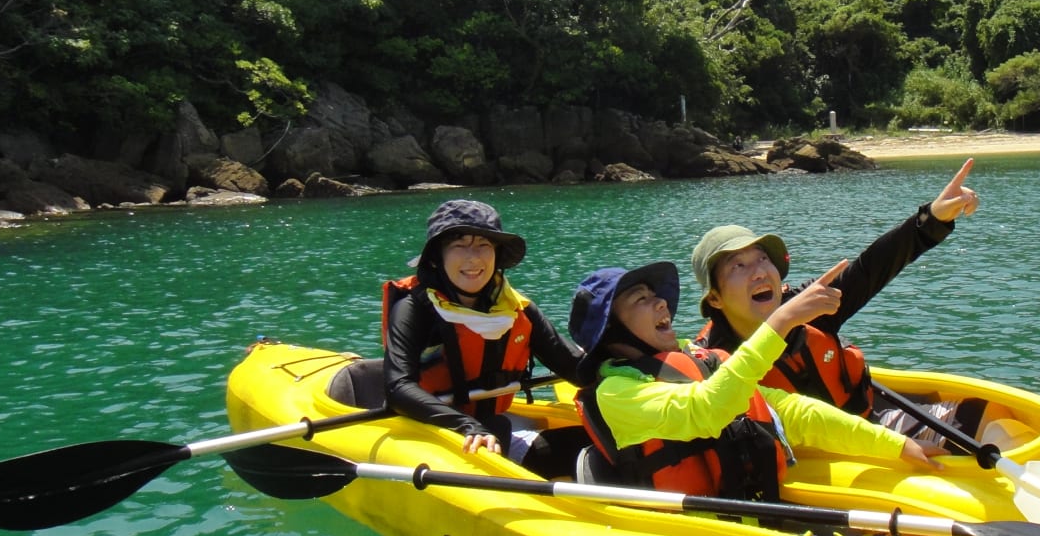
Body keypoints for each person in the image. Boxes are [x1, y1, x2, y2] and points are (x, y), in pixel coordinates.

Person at [568, 260, 939, 503]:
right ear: (611, 331)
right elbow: (709, 410)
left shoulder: (701, 362)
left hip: (754, 513)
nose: (662, 303)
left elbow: (792, 413)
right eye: (641, 300)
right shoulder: (617, 393)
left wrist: (895, 445)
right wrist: (780, 322)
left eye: (656, 296)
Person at [690, 160, 979, 441]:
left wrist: (933, 218)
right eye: (738, 266)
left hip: (869, 422)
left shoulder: (809, 306)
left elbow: (873, 267)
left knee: (980, 415)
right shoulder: (710, 364)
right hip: (823, 457)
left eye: (763, 258)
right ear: (715, 299)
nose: (759, 272)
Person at [383, 199, 584, 474]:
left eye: (483, 245)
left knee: (583, 443)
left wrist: (627, 368)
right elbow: (397, 387)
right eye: (459, 245)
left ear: (496, 255)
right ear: (437, 257)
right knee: (495, 427)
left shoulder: (515, 309)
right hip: (429, 430)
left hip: (488, 430)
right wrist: (466, 425)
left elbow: (573, 366)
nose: (474, 258)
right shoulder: (414, 309)